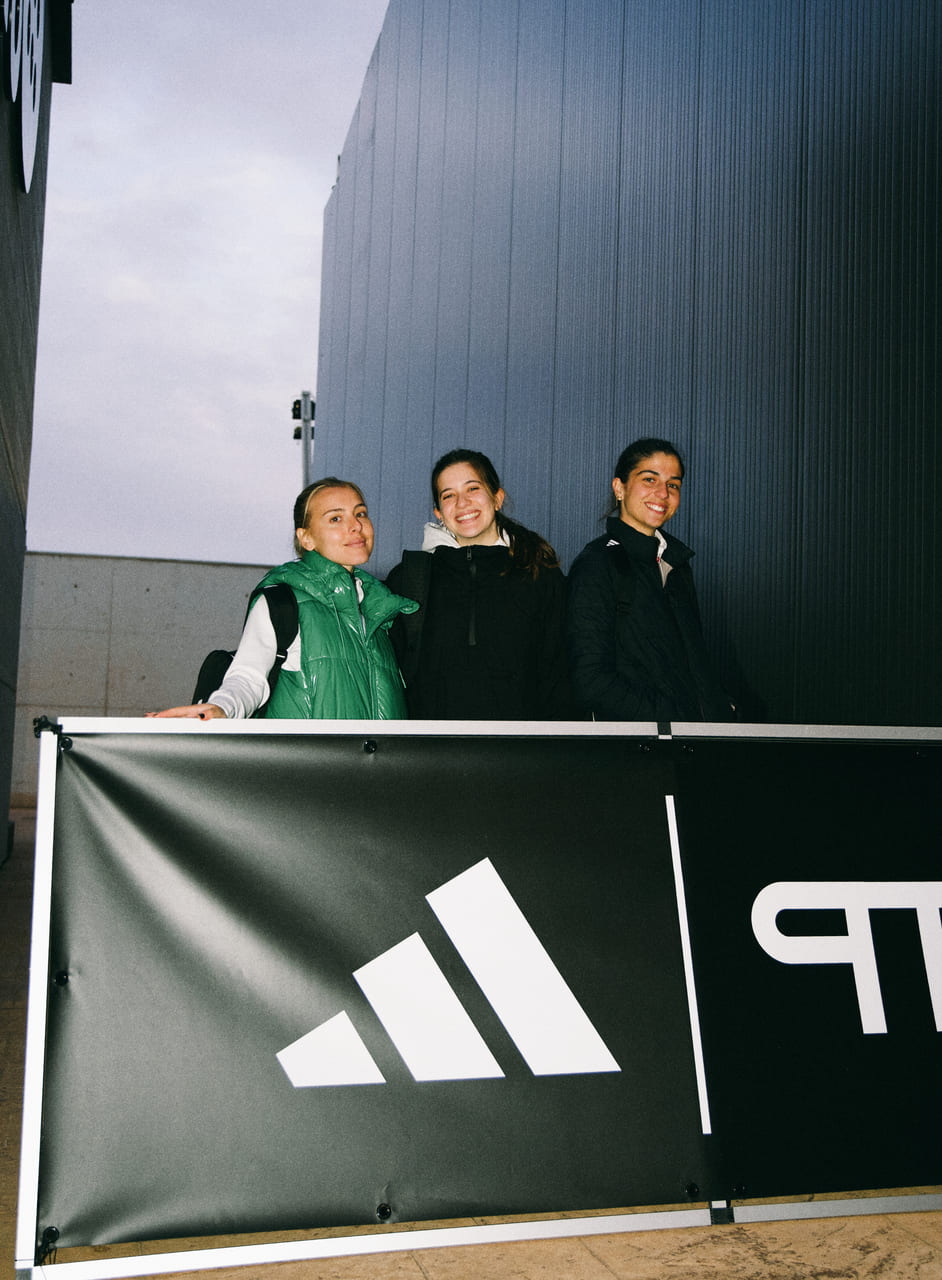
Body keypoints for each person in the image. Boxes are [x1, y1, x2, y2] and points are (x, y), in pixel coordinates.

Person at [152, 478, 418, 720]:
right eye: (336, 518)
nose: (356, 526)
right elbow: (248, 677)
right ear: (307, 538)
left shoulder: (383, 613)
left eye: (360, 514)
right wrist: (222, 708)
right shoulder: (282, 602)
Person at [386, 448, 572, 719]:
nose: (462, 503)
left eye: (473, 488)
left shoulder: (539, 574)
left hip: (520, 742)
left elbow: (559, 673)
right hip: (432, 742)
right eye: (448, 495)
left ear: (497, 498)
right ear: (438, 512)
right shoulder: (409, 578)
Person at [566, 439, 735, 723]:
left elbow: (692, 665)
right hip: (641, 745)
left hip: (690, 741)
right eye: (649, 479)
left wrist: (721, 710)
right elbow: (590, 680)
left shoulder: (675, 565)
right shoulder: (598, 564)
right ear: (619, 488)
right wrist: (675, 718)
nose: (663, 493)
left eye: (673, 485)